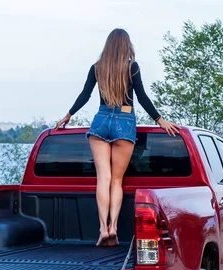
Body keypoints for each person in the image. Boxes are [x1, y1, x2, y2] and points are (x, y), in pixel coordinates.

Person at [55, 28, 180, 247]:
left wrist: (68, 116)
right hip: (124, 120)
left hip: (101, 120)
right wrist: (160, 120)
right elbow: (141, 97)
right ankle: (114, 228)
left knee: (102, 178)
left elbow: (85, 95)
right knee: (116, 180)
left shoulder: (97, 68)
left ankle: (102, 229)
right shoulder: (132, 67)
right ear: (126, 45)